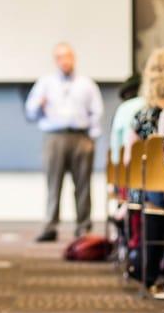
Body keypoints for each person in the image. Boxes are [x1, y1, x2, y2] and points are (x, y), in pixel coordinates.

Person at [25, 43, 104, 242]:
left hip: (81, 137)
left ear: (74, 58)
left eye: (68, 56)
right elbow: (30, 111)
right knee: (53, 184)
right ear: (55, 60)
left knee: (83, 185)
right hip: (55, 137)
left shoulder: (86, 84)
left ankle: (83, 227)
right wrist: (39, 104)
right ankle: (50, 226)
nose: (65, 61)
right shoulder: (45, 83)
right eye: (60, 57)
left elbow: (97, 112)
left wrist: (91, 138)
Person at [125, 47, 164, 289]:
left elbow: (130, 162)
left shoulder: (140, 117)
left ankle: (150, 268)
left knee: (150, 193)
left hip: (151, 193)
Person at [109, 74, 144, 165]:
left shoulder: (123, 108)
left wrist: (116, 163)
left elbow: (116, 142)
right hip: (156, 168)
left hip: (130, 167)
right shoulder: (152, 105)